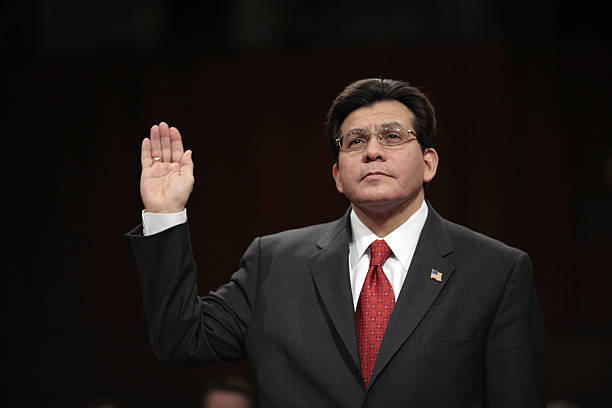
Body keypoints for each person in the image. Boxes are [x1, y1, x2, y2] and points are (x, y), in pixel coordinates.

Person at [126, 78, 546, 407]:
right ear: (337, 175)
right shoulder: (273, 262)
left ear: (429, 163)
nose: (373, 151)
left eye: (393, 136)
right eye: (355, 141)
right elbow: (181, 340)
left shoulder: (496, 270)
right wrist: (165, 214)